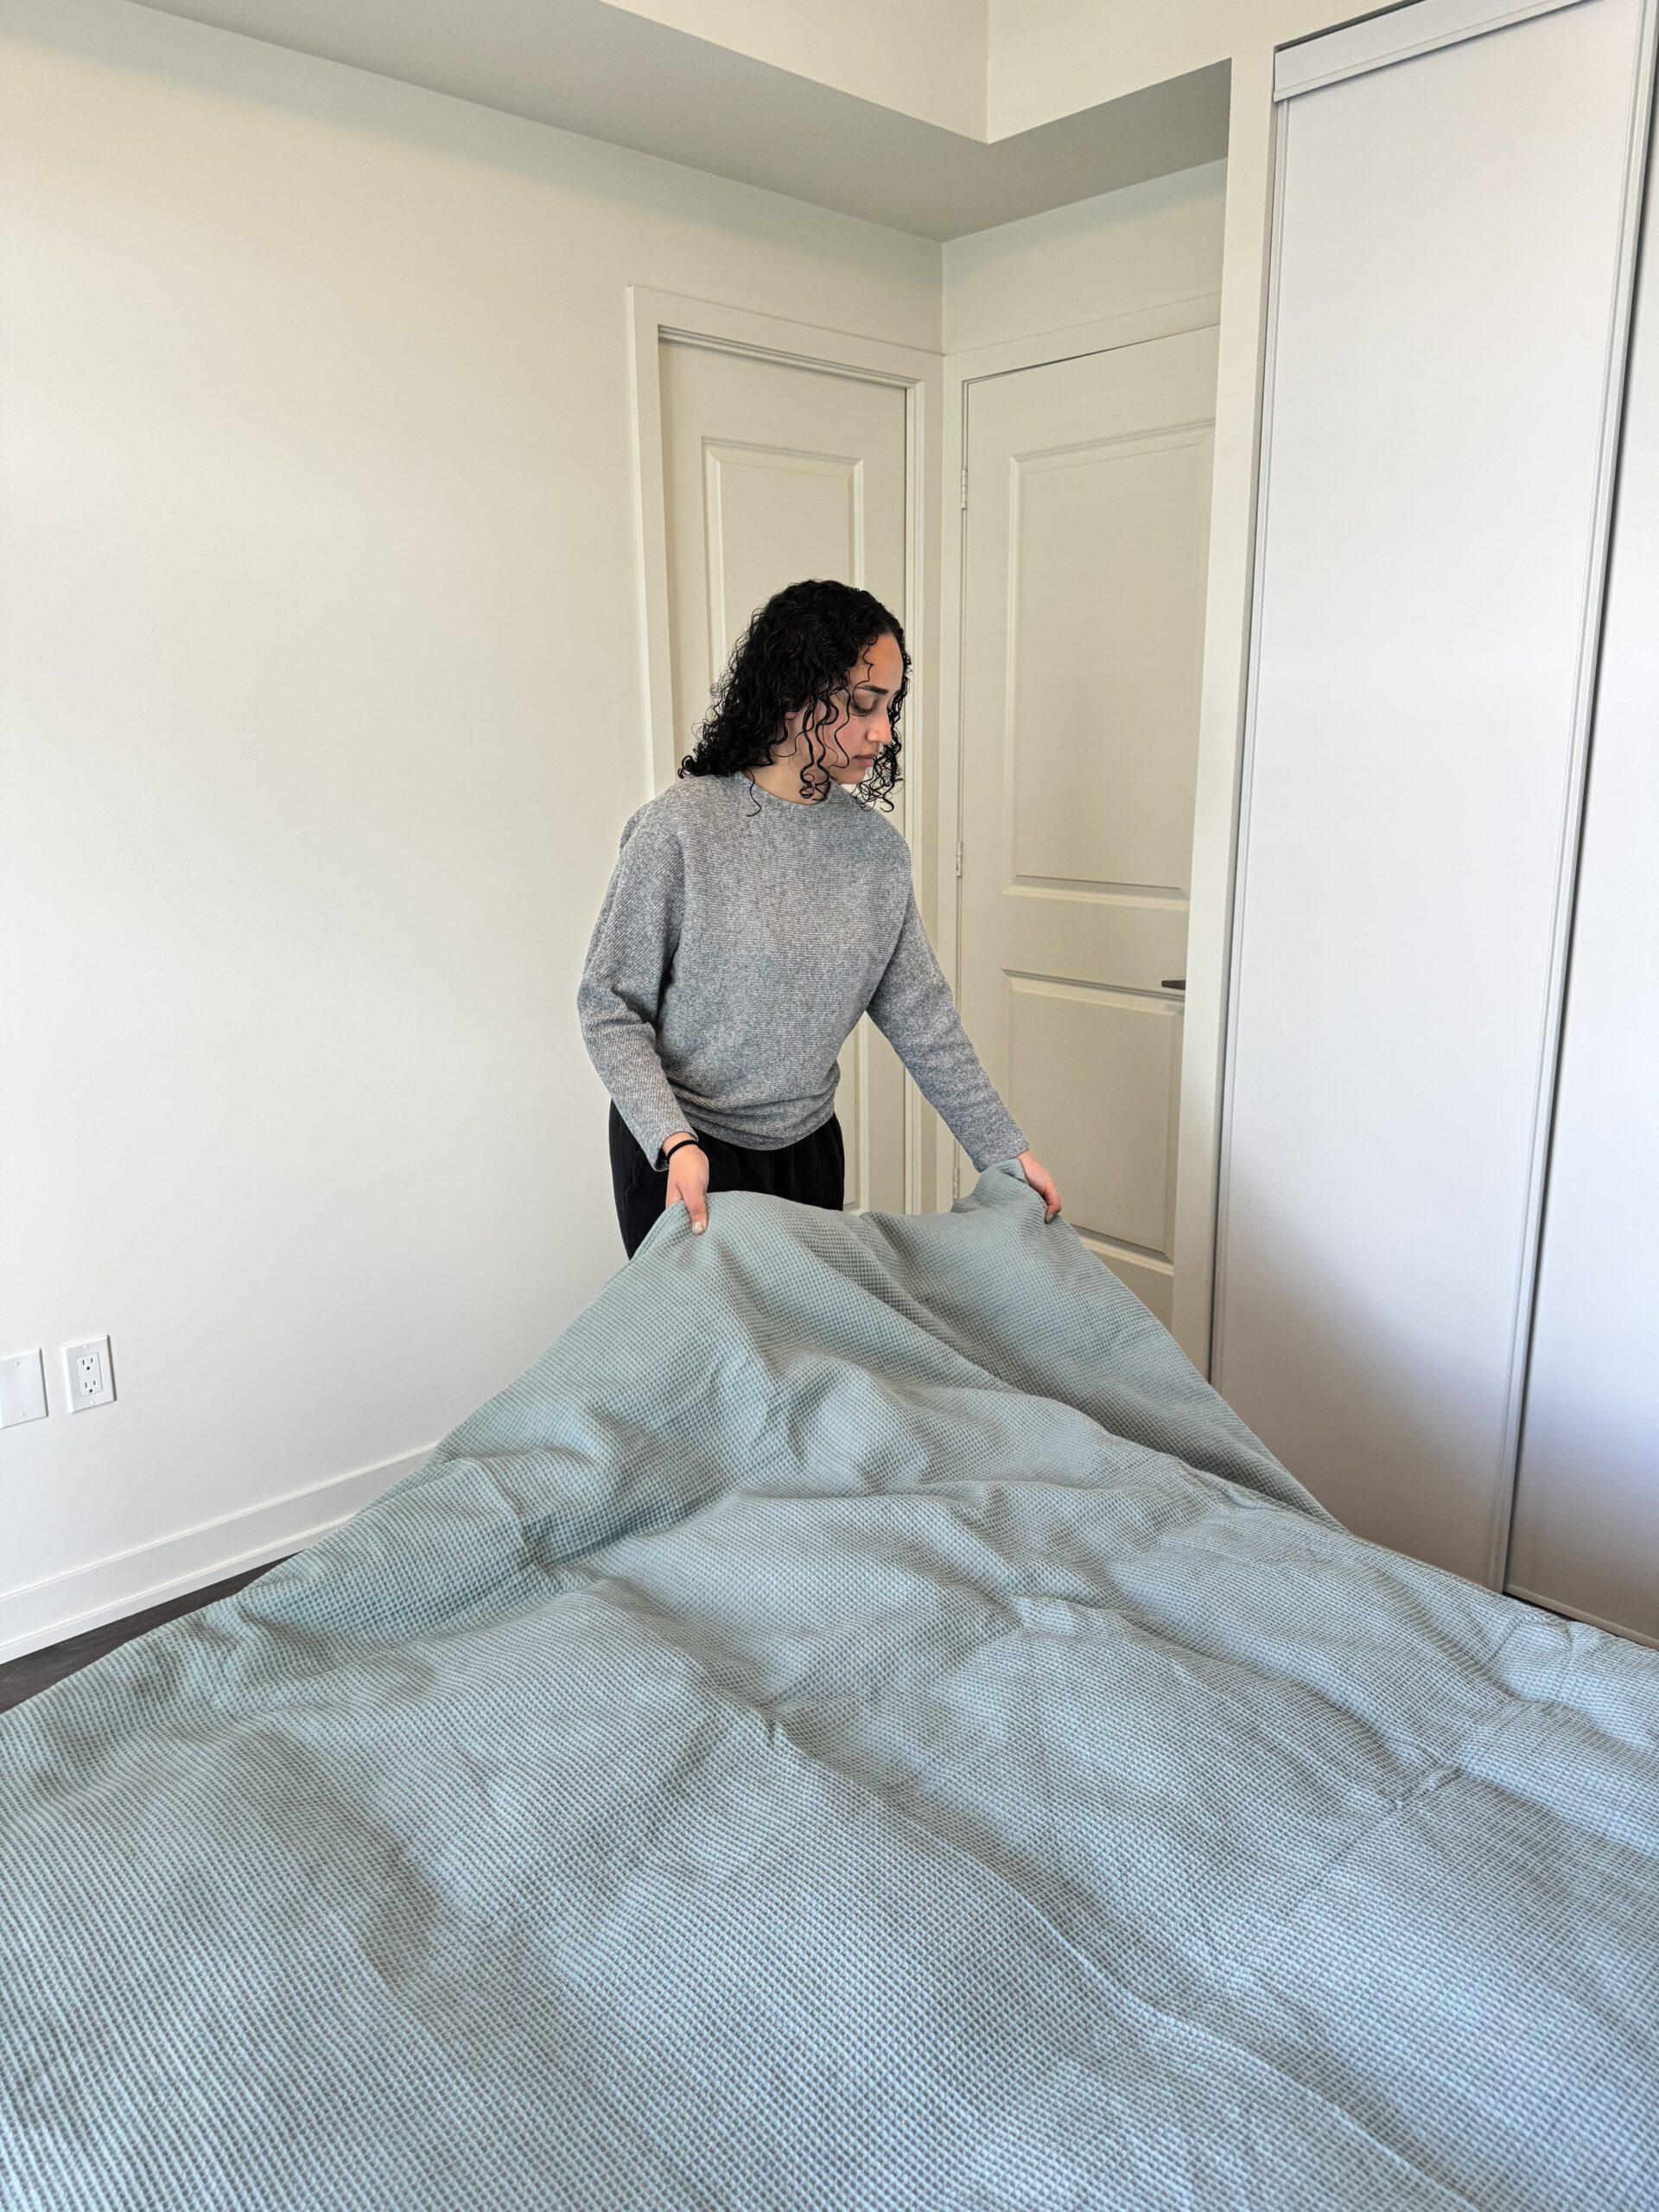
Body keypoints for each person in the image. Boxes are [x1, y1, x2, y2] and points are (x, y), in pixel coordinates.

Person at [577, 578, 1064, 1260]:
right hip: (684, 1155)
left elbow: (924, 1021)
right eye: (864, 704)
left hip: (808, 1154)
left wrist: (1005, 1151)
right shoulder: (682, 828)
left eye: (890, 707)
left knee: (804, 1356)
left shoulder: (875, 854)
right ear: (790, 692)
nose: (883, 732)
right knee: (715, 1361)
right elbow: (609, 1007)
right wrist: (672, 1140)